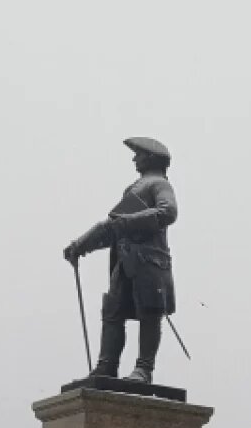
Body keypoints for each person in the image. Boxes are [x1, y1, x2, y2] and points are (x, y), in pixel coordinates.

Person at [64, 137, 178, 384]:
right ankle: (107, 365)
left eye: (138, 154)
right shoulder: (136, 187)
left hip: (149, 262)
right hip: (125, 262)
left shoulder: (159, 184)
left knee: (149, 313)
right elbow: (113, 227)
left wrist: (128, 221)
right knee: (113, 311)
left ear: (150, 158)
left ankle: (143, 369)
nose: (134, 158)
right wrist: (80, 244)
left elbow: (168, 212)